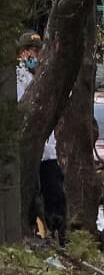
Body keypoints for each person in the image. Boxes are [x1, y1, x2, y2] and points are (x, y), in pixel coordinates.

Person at [16, 30, 67, 244]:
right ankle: (36, 232)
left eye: (37, 51)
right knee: (33, 195)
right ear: (22, 52)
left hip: (47, 151)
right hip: (31, 150)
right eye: (31, 51)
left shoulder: (38, 78)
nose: (34, 55)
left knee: (54, 193)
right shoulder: (18, 78)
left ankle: (56, 233)